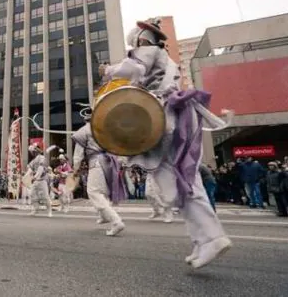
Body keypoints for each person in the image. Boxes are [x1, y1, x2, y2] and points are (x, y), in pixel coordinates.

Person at [99, 18, 232, 268]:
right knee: (183, 181)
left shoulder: (148, 51)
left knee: (178, 183)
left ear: (141, 40)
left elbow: (134, 68)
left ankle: (212, 237)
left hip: (162, 118)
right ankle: (201, 240)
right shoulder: (167, 59)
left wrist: (108, 70)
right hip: (173, 116)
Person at [72, 112, 126, 236]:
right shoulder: (104, 129)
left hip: (97, 162)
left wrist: (75, 170)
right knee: (103, 191)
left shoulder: (83, 131)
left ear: (85, 119)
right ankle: (104, 216)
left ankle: (116, 221)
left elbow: (78, 155)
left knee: (94, 192)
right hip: (109, 162)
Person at [25, 143, 53, 217]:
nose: (31, 153)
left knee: (45, 196)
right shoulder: (33, 160)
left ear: (35, 151)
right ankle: (35, 209)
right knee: (32, 194)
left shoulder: (42, 158)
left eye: (32, 152)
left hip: (42, 180)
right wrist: (26, 176)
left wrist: (35, 177)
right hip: (36, 181)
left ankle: (49, 211)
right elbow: (30, 169)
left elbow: (40, 169)